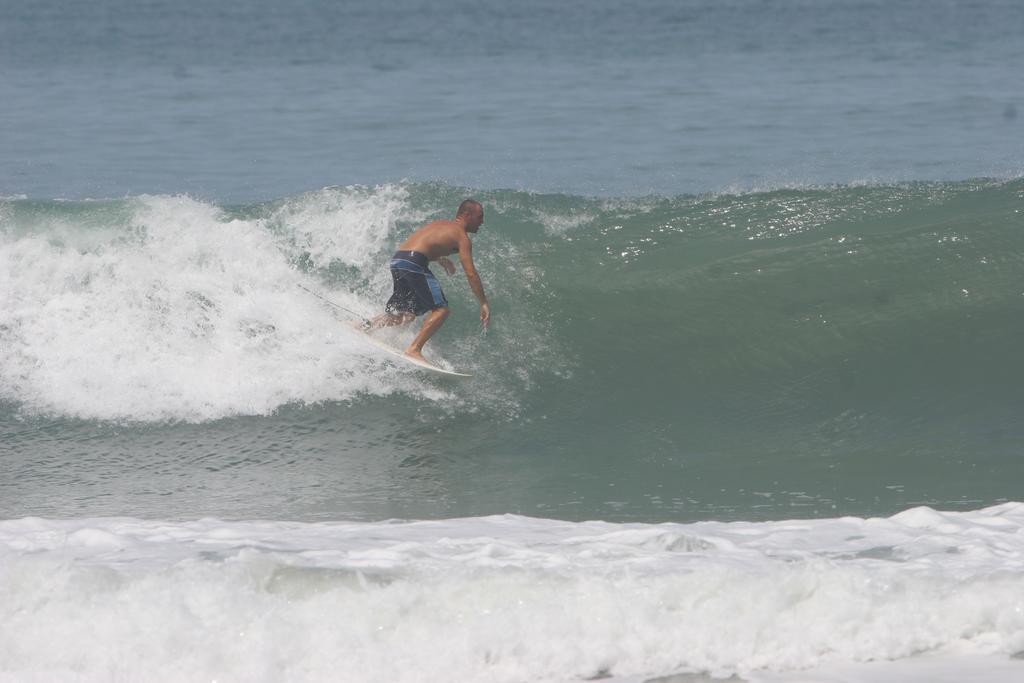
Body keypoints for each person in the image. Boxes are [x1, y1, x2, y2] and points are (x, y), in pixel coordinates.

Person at [368, 199, 490, 362]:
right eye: (480, 217)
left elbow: (425, 243)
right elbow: (471, 273)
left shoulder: (441, 225)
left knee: (407, 315)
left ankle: (365, 326)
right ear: (467, 215)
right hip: (413, 264)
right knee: (442, 310)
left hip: (399, 260)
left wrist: (439, 259)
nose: (482, 222)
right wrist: (483, 303)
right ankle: (414, 349)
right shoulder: (462, 237)